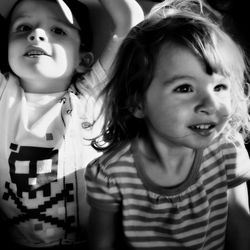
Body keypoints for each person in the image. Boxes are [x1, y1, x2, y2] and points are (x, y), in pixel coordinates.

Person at [85, 0, 250, 249]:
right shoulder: (111, 173)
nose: (210, 104)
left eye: (219, 87)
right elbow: (101, 243)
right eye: (184, 88)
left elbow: (240, 230)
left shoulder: (227, 152)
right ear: (138, 103)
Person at [0, 0, 144, 248]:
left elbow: (130, 21)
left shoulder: (92, 96)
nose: (37, 34)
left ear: (84, 60)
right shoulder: (4, 95)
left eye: (58, 30)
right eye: (23, 28)